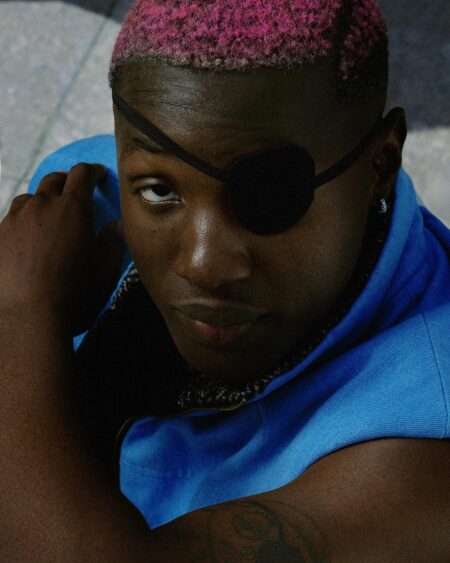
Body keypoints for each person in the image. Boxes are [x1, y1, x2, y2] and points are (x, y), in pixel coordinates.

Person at [0, 0, 449, 560]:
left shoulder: (424, 450)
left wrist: (20, 321)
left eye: (270, 196)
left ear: (379, 164)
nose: (204, 264)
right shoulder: (83, 217)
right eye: (160, 190)